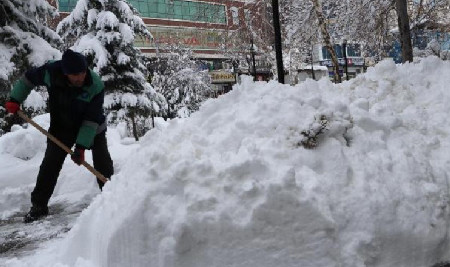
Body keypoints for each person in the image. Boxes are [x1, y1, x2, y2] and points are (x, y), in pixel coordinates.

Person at [4, 49, 114, 223]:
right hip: (61, 128)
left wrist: (81, 147)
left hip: (93, 128)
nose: (80, 77)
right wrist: (15, 99)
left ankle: (113, 199)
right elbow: (28, 79)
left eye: (83, 72)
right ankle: (38, 206)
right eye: (75, 75)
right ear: (65, 73)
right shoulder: (50, 72)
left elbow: (91, 119)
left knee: (103, 163)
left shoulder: (95, 84)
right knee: (50, 165)